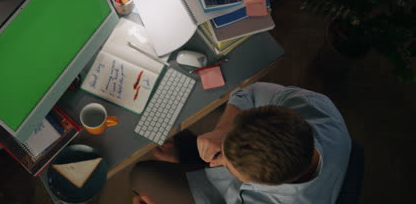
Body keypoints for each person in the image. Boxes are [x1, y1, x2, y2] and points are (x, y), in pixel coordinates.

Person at [131, 82, 351, 204]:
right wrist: (222, 130)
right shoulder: (316, 107)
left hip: (223, 197)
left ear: (262, 185)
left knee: (141, 174)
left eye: (226, 163)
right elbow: (250, 92)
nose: (217, 161)